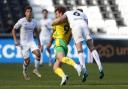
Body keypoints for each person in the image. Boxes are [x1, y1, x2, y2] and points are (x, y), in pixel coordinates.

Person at [52, 8, 104, 81]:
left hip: (70, 32)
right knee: (92, 47)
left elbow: (59, 20)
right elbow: (86, 23)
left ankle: (83, 69)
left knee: (79, 50)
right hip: (83, 25)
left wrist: (52, 23)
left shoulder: (68, 13)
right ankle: (100, 66)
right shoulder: (83, 14)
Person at [47, 6, 82, 86]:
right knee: (55, 67)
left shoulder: (58, 21)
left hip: (59, 41)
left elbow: (53, 33)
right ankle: (63, 77)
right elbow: (70, 35)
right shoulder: (70, 22)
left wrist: (50, 43)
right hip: (65, 44)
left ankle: (76, 65)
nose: (56, 15)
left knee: (60, 58)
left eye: (57, 13)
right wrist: (66, 43)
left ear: (60, 13)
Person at [12, 6, 41, 80]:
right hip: (23, 43)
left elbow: (36, 32)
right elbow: (13, 30)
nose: (29, 13)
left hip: (31, 42)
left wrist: (39, 42)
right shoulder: (21, 21)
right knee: (27, 61)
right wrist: (15, 40)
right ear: (25, 13)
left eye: (30, 11)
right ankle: (24, 71)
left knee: (38, 54)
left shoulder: (34, 22)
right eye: (27, 11)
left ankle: (35, 69)